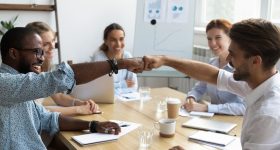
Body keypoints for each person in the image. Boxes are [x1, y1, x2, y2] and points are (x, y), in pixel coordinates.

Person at [143, 19, 280, 149]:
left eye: (233, 54)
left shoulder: (266, 115)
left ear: (255, 61)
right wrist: (165, 60)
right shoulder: (261, 82)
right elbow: (213, 75)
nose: (228, 59)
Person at [0, 27, 144, 149]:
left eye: (42, 52)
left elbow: (49, 119)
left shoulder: (20, 86)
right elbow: (60, 78)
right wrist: (118, 64)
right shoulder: (4, 83)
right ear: (13, 53)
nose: (42, 58)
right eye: (36, 52)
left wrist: (93, 125)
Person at [26, 21, 99, 116]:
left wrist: (80, 103)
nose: (53, 46)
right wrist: (78, 109)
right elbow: (37, 112)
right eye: (46, 44)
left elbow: (58, 96)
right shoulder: (28, 74)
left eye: (53, 41)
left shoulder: (43, 67)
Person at [183, 19, 245, 115]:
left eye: (218, 37)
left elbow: (243, 107)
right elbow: (199, 88)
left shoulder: (240, 68)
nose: (212, 43)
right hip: (213, 119)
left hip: (235, 122)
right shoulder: (212, 63)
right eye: (209, 39)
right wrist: (191, 98)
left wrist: (206, 107)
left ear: (230, 38)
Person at [91, 23, 138, 95]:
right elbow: (98, 89)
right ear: (106, 41)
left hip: (125, 101)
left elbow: (133, 87)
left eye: (121, 39)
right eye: (113, 40)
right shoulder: (98, 57)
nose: (118, 44)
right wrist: (122, 84)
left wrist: (114, 88)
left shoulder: (128, 56)